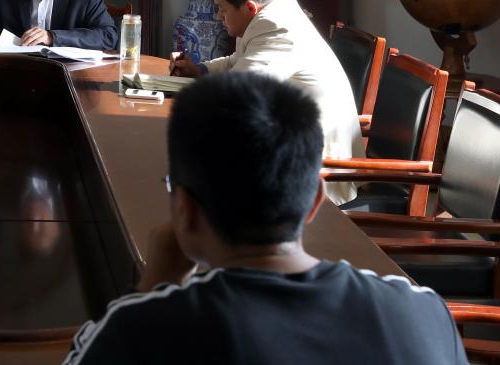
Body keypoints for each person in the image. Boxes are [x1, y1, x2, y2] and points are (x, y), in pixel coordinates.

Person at [64, 72, 468, 365]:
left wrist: (151, 289)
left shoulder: (138, 333)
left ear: (184, 210)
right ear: (315, 200)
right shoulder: (424, 313)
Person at [169, 0, 363, 204]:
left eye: (221, 9)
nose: (218, 16)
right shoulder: (269, 17)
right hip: (292, 141)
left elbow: (238, 91)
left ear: (249, 7)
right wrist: (200, 70)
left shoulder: (277, 29)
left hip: (315, 169)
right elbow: (238, 61)